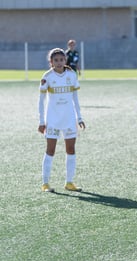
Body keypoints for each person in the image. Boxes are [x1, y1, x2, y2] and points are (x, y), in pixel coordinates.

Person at [38, 48, 85, 192]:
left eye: (61, 60)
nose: (59, 62)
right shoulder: (47, 77)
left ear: (65, 60)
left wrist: (79, 117)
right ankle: (45, 183)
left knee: (71, 149)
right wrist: (41, 121)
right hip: (53, 119)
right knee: (50, 150)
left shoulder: (71, 75)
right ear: (51, 62)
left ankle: (69, 183)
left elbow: (75, 99)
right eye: (56, 60)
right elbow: (41, 100)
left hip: (69, 119)